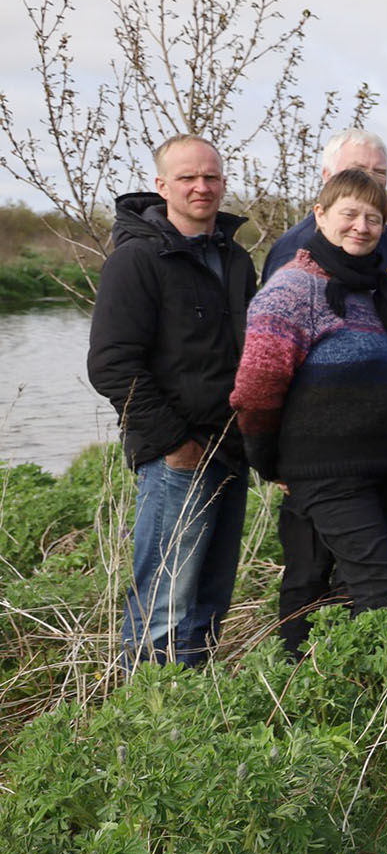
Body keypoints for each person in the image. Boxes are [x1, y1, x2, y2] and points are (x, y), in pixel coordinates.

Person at [88, 135, 256, 668]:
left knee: (210, 597)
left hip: (230, 449)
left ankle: (196, 699)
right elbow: (112, 365)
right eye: (187, 178)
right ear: (162, 186)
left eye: (211, 177)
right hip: (175, 458)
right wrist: (175, 446)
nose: (201, 187)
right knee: (163, 600)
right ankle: (147, 705)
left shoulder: (235, 259)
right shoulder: (135, 260)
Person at [232, 169, 387, 648]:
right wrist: (267, 459)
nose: (361, 226)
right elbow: (256, 389)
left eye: (374, 218)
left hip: (379, 468)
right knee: (383, 591)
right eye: (349, 214)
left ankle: (306, 677)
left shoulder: (376, 291)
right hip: (326, 470)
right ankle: (386, 688)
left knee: (315, 580)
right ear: (319, 215)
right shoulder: (292, 290)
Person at [260, 129, 387, 281]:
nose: (370, 178)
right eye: (357, 170)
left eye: (379, 172)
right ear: (327, 176)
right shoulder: (293, 253)